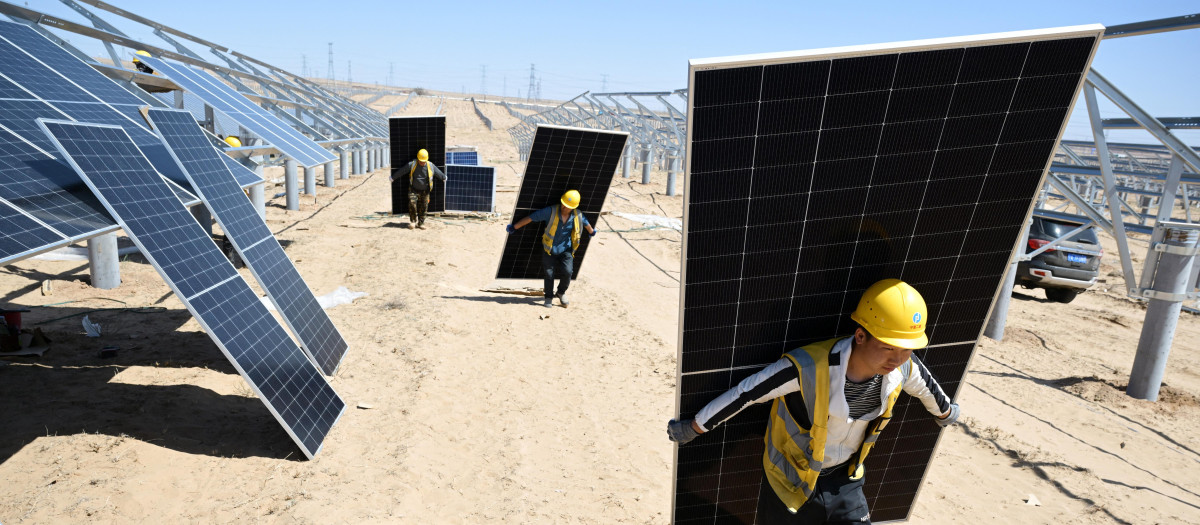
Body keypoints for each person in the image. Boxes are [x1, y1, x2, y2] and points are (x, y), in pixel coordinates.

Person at [667, 279, 961, 524]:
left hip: (846, 479)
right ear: (860, 335)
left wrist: (946, 412)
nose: (897, 359)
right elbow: (747, 393)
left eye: (907, 349)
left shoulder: (903, 368)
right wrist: (695, 427)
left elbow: (928, 390)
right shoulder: (808, 367)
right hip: (790, 480)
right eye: (887, 347)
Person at [506, 190, 596, 308]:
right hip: (549, 249)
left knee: (568, 272)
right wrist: (514, 227)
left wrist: (592, 232)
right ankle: (548, 296)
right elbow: (531, 218)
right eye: (564, 203)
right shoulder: (550, 211)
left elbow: (586, 223)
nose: (564, 207)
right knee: (549, 274)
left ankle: (561, 292)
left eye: (568, 206)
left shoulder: (577, 215)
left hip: (566, 250)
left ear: (573, 207)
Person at [390, 148, 446, 229]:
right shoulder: (412, 164)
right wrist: (393, 177)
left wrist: (444, 177)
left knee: (424, 207)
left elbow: (438, 173)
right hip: (413, 189)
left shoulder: (430, 166)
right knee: (412, 204)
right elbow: (402, 171)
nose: (422, 162)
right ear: (418, 158)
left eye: (423, 161)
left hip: (425, 191)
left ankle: (421, 223)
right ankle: (413, 221)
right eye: (420, 160)